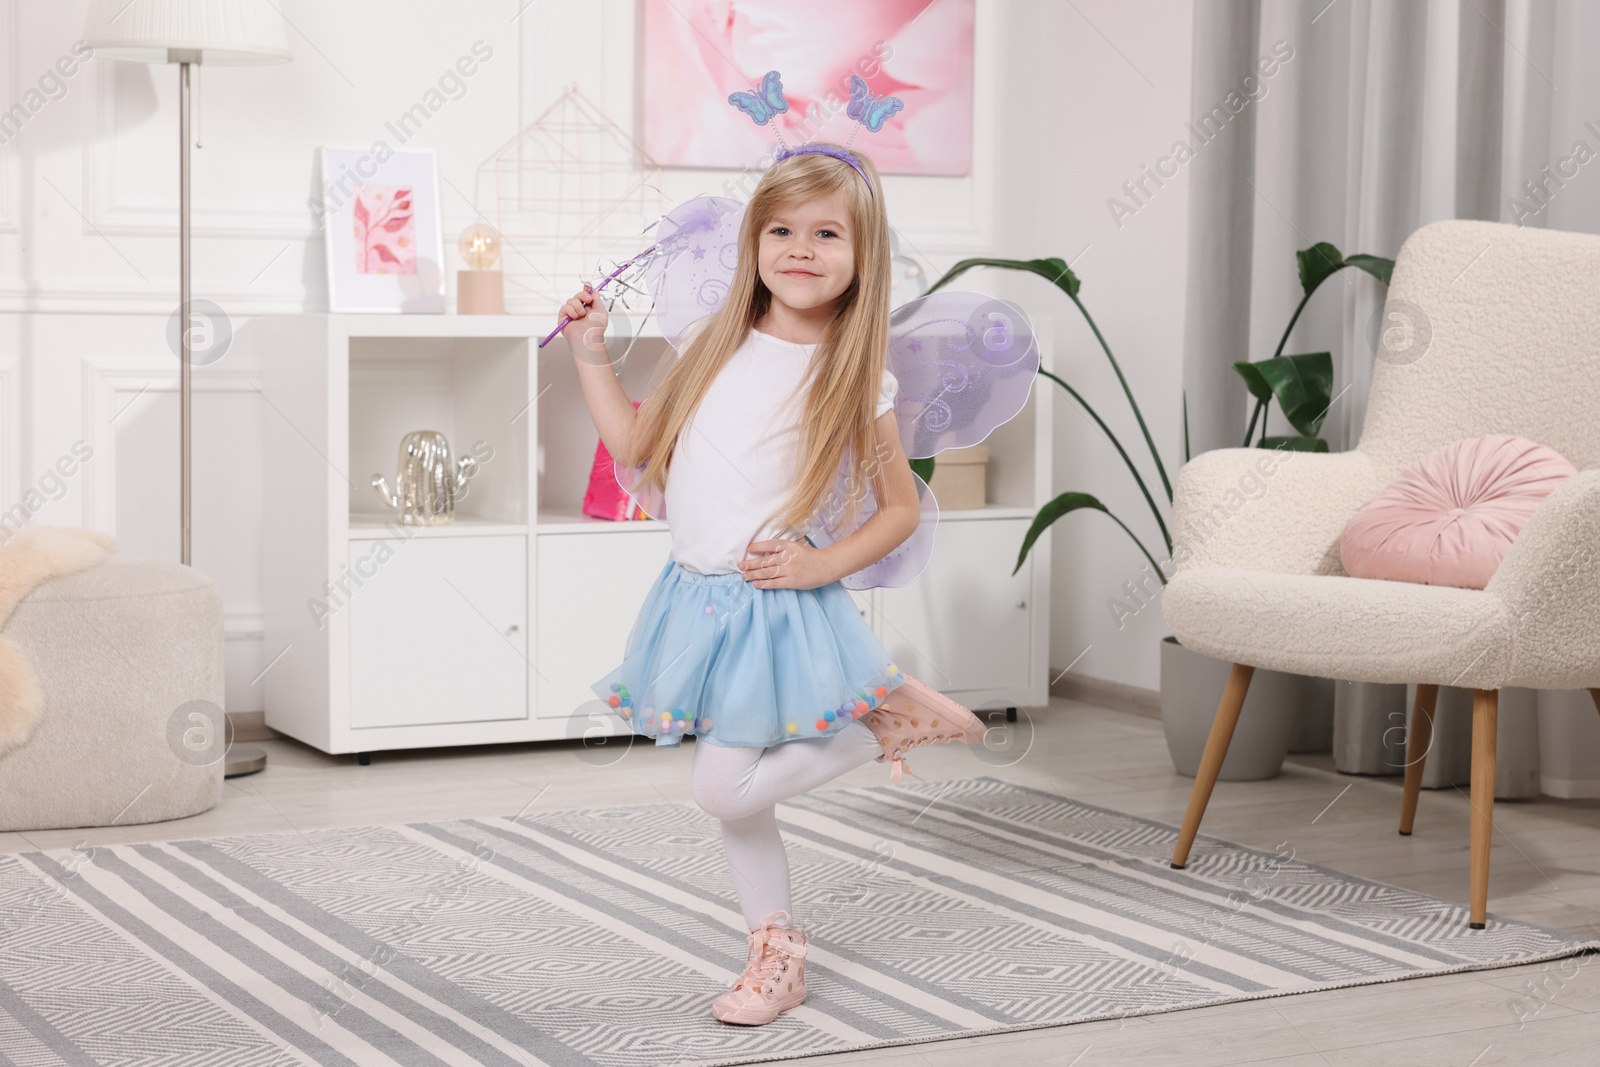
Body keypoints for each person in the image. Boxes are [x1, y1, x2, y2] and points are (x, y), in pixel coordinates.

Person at [557, 142, 986, 1027]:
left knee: (722, 786)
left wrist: (820, 563)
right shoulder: (710, 346)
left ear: (863, 257)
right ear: (754, 241)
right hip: (695, 600)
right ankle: (775, 953)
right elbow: (638, 451)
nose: (801, 247)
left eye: (827, 233)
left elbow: (899, 509)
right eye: (782, 229)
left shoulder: (854, 374)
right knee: (737, 800)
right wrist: (591, 354)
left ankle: (881, 724)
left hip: (777, 605)